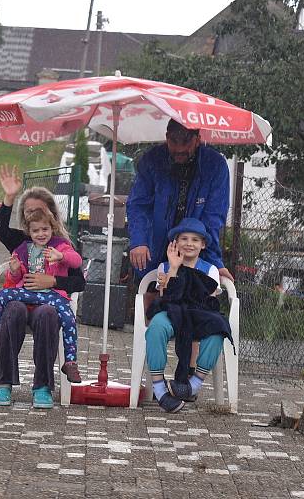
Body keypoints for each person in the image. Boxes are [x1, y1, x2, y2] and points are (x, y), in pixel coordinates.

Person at [0, 165, 86, 409]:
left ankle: (43, 386)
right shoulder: (23, 240)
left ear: (50, 215)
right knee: (13, 309)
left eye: (39, 211)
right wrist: (9, 197)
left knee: (48, 314)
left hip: (48, 304)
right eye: (29, 212)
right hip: (21, 300)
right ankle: (3, 382)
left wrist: (52, 281)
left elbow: (79, 281)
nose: (34, 217)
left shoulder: (62, 245)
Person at [0, 207, 83, 384]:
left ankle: (70, 362)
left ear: (52, 229)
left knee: (69, 318)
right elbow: (16, 277)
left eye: (45, 229)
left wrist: (61, 257)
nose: (40, 234)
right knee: (2, 296)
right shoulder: (23, 249)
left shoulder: (60, 245)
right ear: (29, 232)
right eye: (35, 230)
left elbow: (76, 260)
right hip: (28, 293)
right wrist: (14, 271)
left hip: (52, 296)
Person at [126, 118, 232, 283]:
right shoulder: (152, 160)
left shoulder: (215, 165)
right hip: (153, 248)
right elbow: (138, 205)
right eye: (174, 142)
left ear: (198, 140)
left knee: (192, 298)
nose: (180, 148)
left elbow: (213, 218)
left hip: (193, 251)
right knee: (149, 295)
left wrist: (214, 261)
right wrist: (139, 240)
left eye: (186, 142)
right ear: (167, 137)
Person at [145, 219, 233, 413]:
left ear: (203, 245)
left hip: (198, 314)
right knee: (156, 327)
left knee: (218, 328)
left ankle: (193, 385)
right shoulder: (164, 267)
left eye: (195, 239)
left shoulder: (210, 269)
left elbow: (205, 300)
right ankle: (160, 390)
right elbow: (167, 299)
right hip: (171, 312)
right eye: (183, 238)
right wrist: (174, 268)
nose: (189, 243)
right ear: (175, 242)